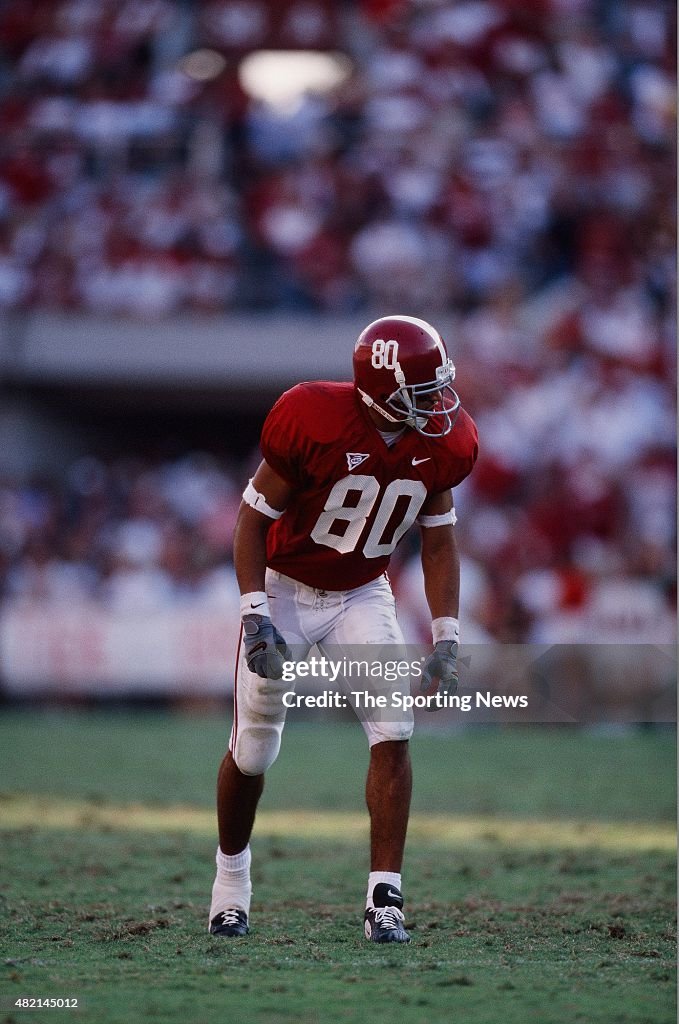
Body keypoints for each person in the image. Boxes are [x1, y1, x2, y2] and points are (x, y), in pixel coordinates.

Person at [208, 315, 478, 943]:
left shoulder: (442, 442)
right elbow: (250, 524)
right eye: (423, 389)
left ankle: (385, 899)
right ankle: (231, 885)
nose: (438, 403)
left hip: (362, 590)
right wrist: (255, 615)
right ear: (382, 389)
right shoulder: (313, 417)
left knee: (394, 728)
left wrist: (447, 634)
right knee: (254, 748)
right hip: (284, 588)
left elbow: (439, 542)